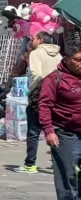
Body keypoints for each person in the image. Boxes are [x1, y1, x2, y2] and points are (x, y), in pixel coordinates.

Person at [36, 44, 81, 200]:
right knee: (67, 172)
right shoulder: (54, 79)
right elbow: (44, 106)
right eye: (77, 60)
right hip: (64, 132)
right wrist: (49, 131)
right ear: (66, 59)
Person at [15, 32, 61, 174]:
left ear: (40, 40)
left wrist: (31, 89)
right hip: (57, 95)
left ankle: (30, 164)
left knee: (34, 131)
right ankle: (59, 164)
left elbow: (37, 74)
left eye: (33, 38)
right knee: (56, 130)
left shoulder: (36, 53)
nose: (31, 40)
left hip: (40, 94)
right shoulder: (58, 55)